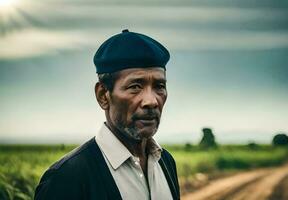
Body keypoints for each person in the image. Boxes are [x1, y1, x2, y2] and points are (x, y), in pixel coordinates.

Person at [34, 29, 180, 200]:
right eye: (135, 86)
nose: (151, 101)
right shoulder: (66, 178)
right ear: (103, 95)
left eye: (159, 86)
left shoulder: (166, 162)